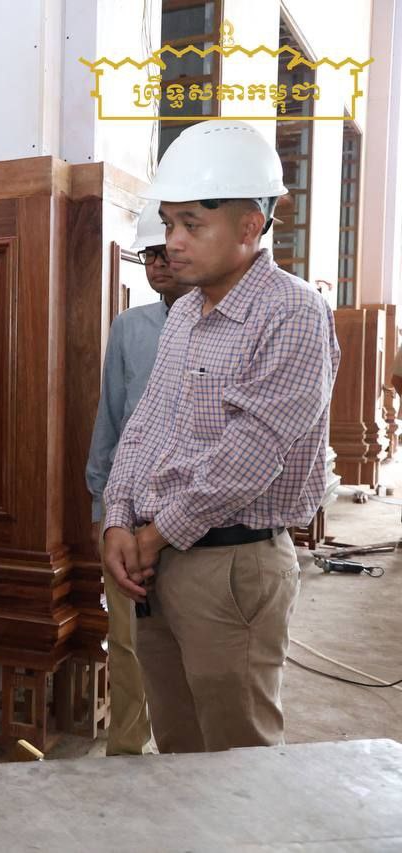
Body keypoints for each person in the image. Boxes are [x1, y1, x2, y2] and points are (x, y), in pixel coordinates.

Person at [102, 122, 340, 753]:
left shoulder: (292, 312)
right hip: (158, 561)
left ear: (249, 226)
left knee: (238, 757)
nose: (172, 242)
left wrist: (153, 535)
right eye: (168, 224)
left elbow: (252, 454)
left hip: (232, 566)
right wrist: (118, 519)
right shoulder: (184, 313)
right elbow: (144, 426)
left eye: (191, 225)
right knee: (179, 745)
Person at [85, 200, 192, 756]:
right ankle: (126, 750)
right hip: (126, 514)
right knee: (126, 642)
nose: (157, 264)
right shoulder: (130, 328)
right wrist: (102, 511)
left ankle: (187, 762)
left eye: (163, 253)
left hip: (194, 520)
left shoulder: (219, 326)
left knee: (188, 648)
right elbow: (111, 420)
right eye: (148, 255)